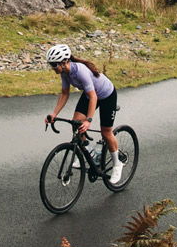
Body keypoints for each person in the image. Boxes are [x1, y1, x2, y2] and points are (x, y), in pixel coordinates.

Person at [43, 44, 123, 184]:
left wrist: (89, 121)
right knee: (76, 124)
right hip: (90, 95)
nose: (52, 67)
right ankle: (89, 152)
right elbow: (64, 93)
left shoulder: (80, 71)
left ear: (63, 62)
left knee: (106, 132)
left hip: (106, 95)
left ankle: (117, 164)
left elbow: (94, 97)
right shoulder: (64, 73)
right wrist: (54, 114)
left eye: (53, 64)